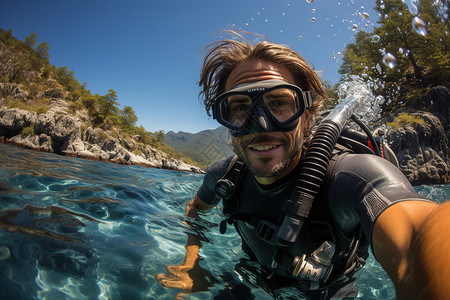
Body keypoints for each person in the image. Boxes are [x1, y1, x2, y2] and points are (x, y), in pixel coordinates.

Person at [156, 32, 450, 299]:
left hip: (327, 292)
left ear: (307, 116)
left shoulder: (350, 176)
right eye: (239, 107)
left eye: (280, 103)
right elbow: (195, 209)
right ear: (226, 120)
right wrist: (191, 262)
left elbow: (419, 231)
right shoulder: (224, 175)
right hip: (252, 275)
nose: (260, 125)